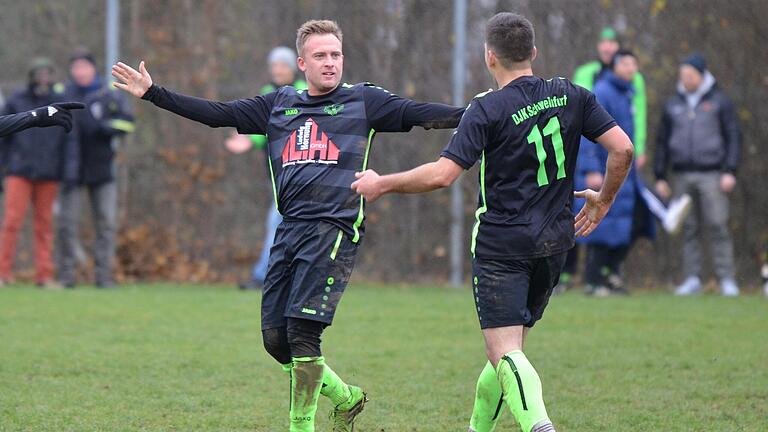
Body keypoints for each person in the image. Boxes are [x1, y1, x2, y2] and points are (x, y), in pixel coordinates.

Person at [111, 19, 464, 432]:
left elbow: (422, 114)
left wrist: (478, 113)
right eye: (320, 56)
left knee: (302, 333)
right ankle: (346, 397)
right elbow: (216, 115)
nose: (330, 63)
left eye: (335, 55)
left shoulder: (363, 101)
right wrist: (153, 93)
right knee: (276, 340)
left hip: (333, 230)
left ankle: (301, 426)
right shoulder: (278, 104)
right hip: (290, 229)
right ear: (302, 62)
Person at [351, 12, 634, 432]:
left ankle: (540, 426)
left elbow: (442, 175)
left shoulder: (487, 107)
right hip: (556, 241)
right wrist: (603, 201)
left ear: (490, 57)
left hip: (503, 246)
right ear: (533, 53)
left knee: (504, 352)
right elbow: (623, 149)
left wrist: (381, 183)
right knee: (509, 350)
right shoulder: (572, 94)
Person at [654, 53, 741, 297]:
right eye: (683, 75)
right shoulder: (673, 104)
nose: (686, 79)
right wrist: (660, 174)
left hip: (713, 174)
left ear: (702, 76)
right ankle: (692, 278)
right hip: (681, 174)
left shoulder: (720, 102)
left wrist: (730, 170)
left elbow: (733, 136)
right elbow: (661, 141)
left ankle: (726, 279)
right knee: (688, 228)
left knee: (718, 225)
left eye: (690, 75)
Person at [574, 50, 655, 296]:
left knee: (628, 223)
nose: (632, 68)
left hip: (624, 170)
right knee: (601, 224)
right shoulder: (603, 92)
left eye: (634, 64)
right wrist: (590, 169)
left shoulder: (629, 93)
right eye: (627, 63)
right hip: (603, 168)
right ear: (615, 66)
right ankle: (594, 279)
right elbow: (587, 134)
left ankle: (611, 275)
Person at [228, 46, 308, 291]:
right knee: (285, 223)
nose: (277, 70)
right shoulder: (267, 93)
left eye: (282, 66)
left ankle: (263, 275)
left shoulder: (305, 91)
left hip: (301, 173)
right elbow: (263, 129)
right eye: (274, 66)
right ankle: (287, 276)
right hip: (276, 174)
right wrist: (250, 138)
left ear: (293, 68)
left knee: (277, 221)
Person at [0, 58, 82, 288]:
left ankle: (44, 276)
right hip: (19, 170)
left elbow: (70, 140)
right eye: (40, 73)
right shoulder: (17, 100)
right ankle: (2, 273)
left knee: (44, 226)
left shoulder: (57, 103)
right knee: (11, 223)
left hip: (48, 172)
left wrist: (69, 171)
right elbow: (4, 136)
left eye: (48, 73)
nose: (44, 78)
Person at [58, 50, 135, 289]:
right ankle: (67, 276)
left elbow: (127, 122)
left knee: (106, 223)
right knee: (66, 224)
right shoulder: (62, 94)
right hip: (71, 170)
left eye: (84, 67)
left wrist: (105, 127)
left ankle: (103, 277)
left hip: (102, 169)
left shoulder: (108, 93)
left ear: (93, 69)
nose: (80, 72)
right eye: (76, 68)